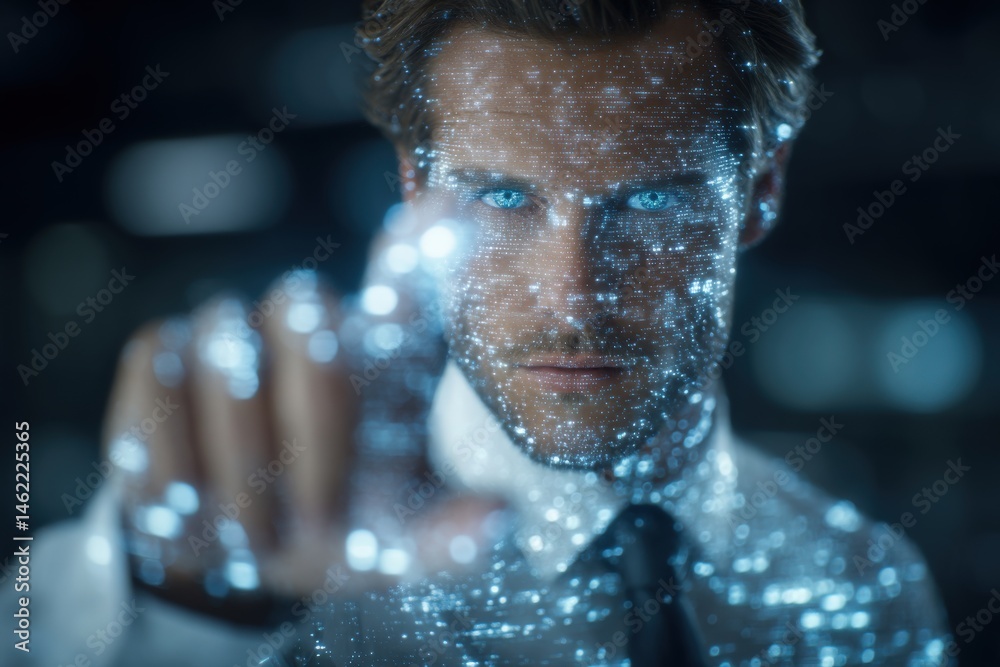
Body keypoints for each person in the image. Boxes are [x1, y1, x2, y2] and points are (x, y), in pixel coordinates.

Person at [6, 1, 955, 665]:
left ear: (761, 190)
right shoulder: (289, 555)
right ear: (414, 185)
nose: (574, 293)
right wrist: (185, 605)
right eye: (503, 197)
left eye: (652, 202)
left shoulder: (868, 589)